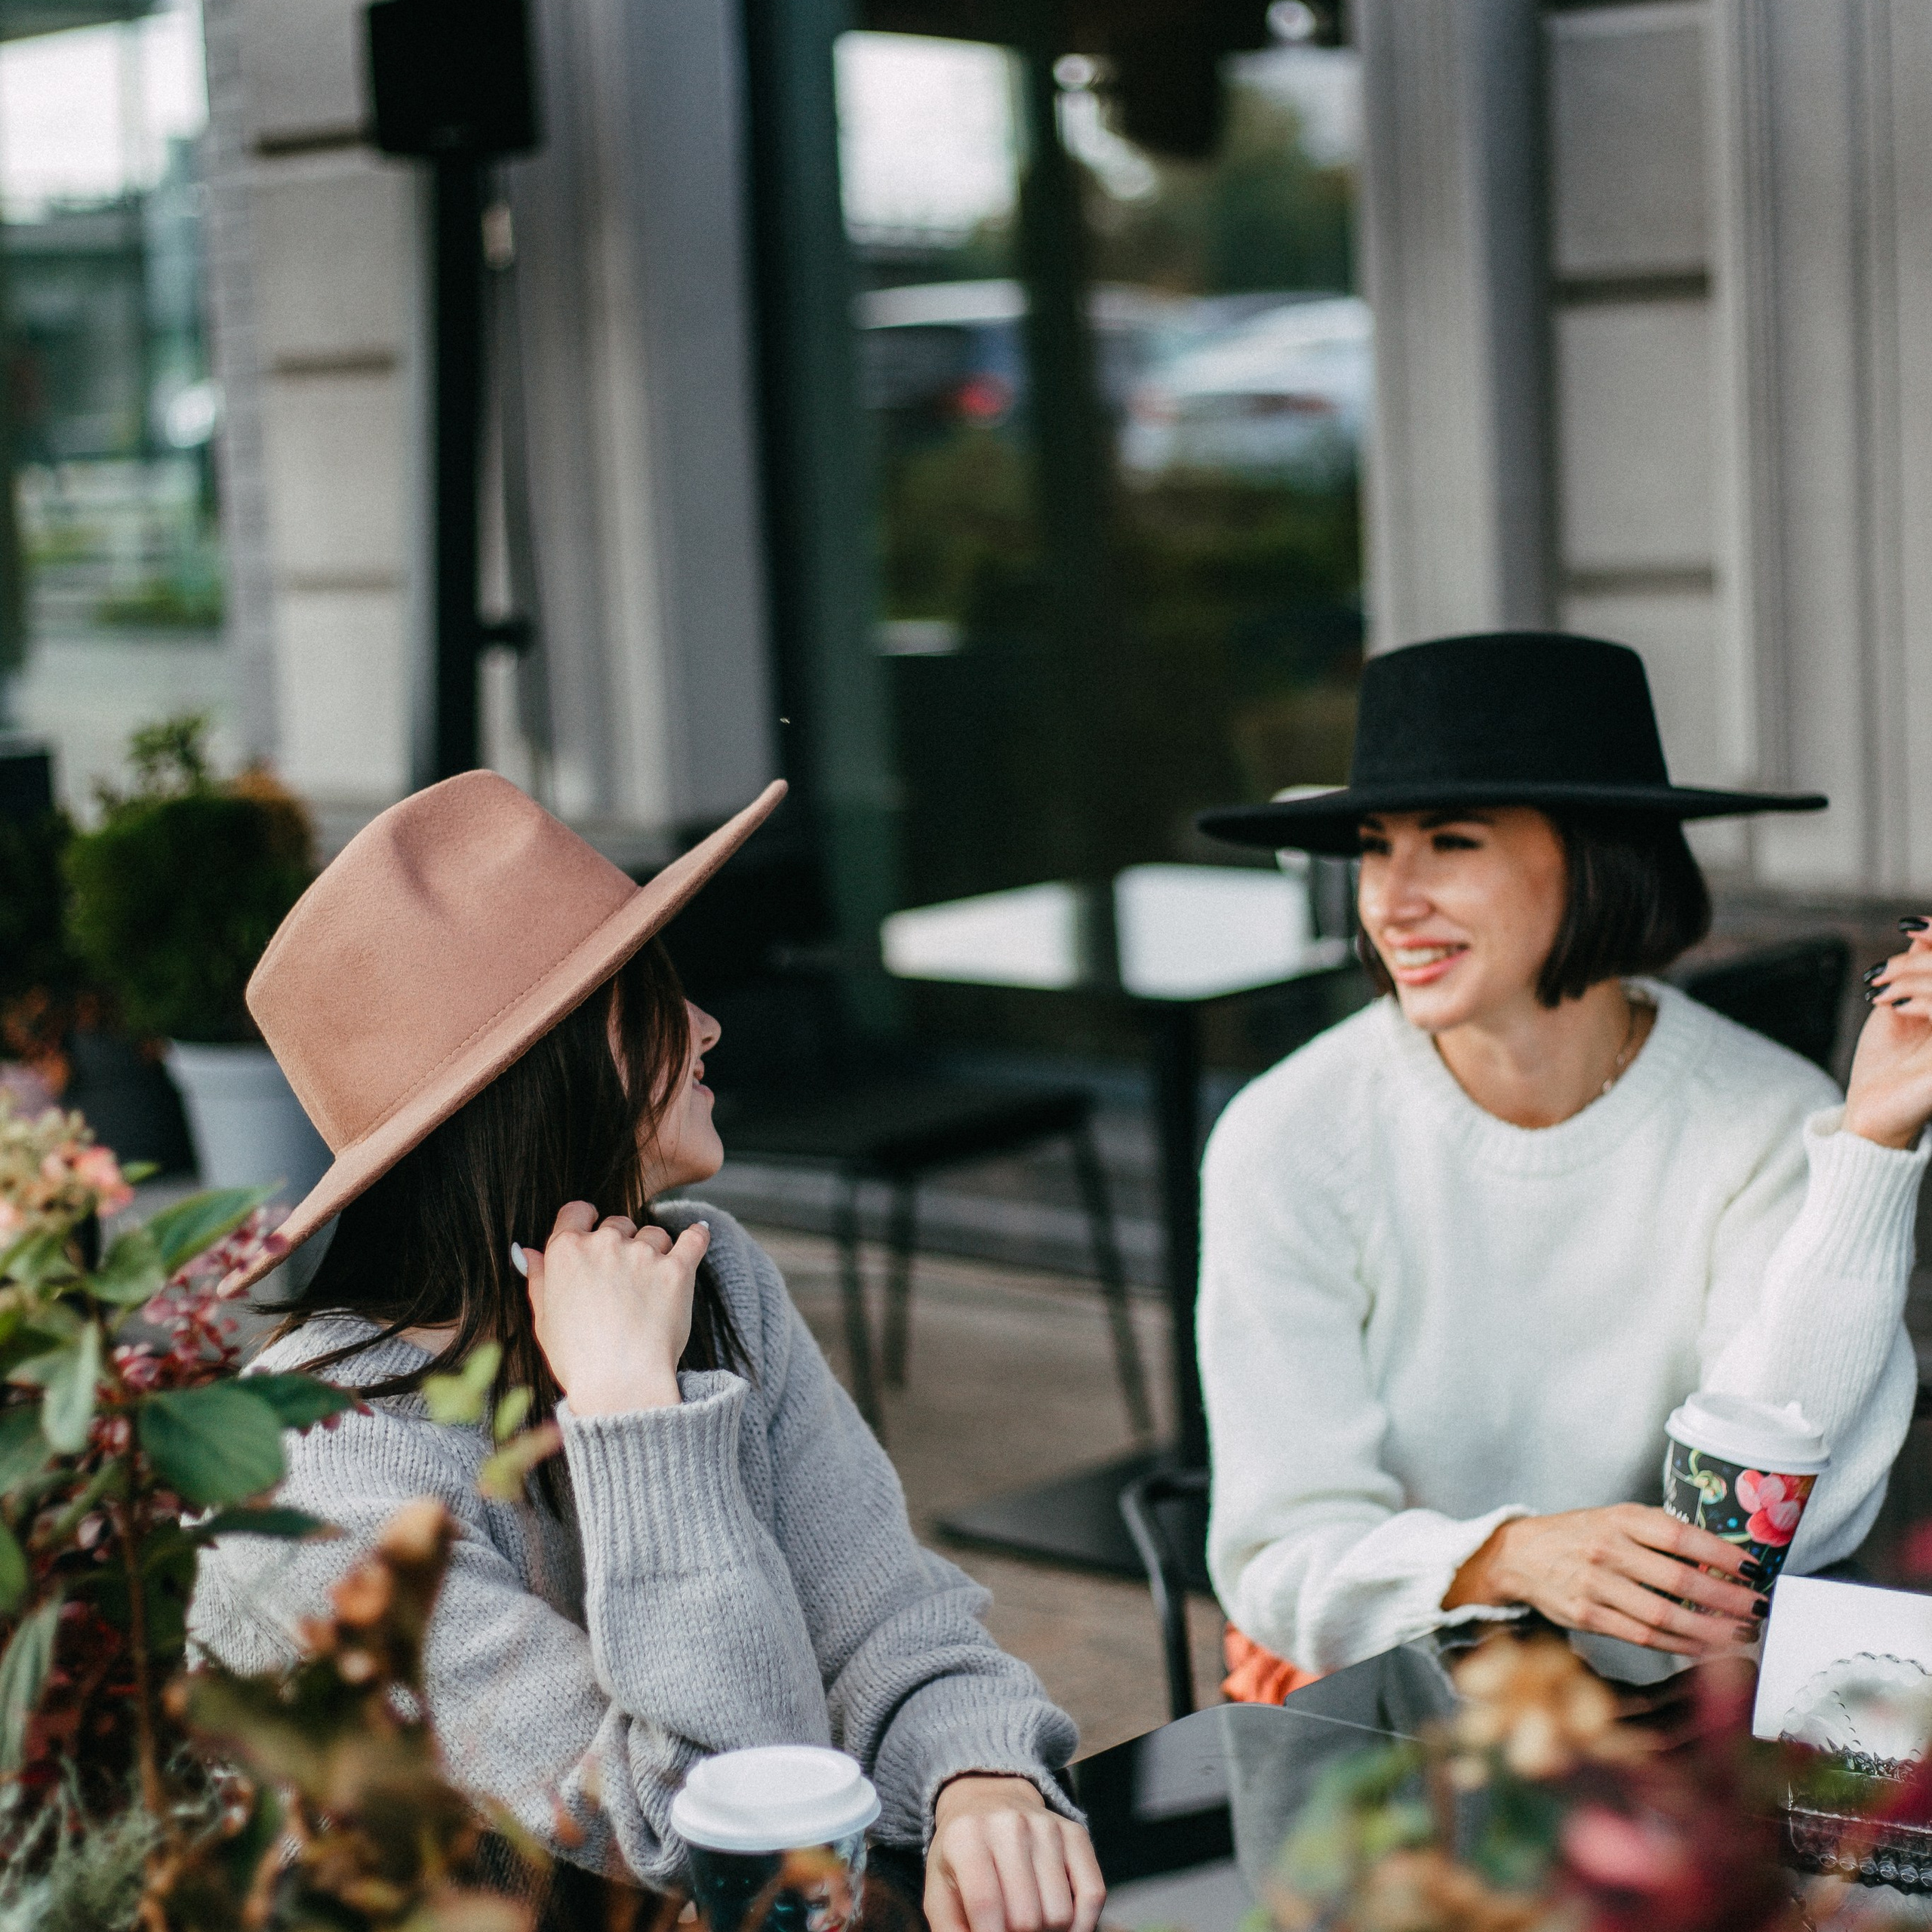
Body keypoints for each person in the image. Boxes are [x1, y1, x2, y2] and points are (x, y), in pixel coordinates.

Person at [189, 773, 1106, 1932]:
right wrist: (632, 1409)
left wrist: (979, 1774)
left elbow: (886, 1623)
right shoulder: (323, 1472)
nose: (709, 1025)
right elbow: (707, 1822)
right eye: (651, 996)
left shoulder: (706, 1272)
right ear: (543, 1070)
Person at [1192, 632, 1932, 1688]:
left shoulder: (1766, 1119)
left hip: (1684, 1706)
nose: (1389, 899)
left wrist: (1870, 1150)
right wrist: (1508, 1557)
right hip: (1394, 1712)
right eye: (1371, 844)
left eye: (1449, 841)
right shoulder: (1289, 1136)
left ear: (1595, 852)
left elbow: (1758, 1545)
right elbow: (1280, 1561)